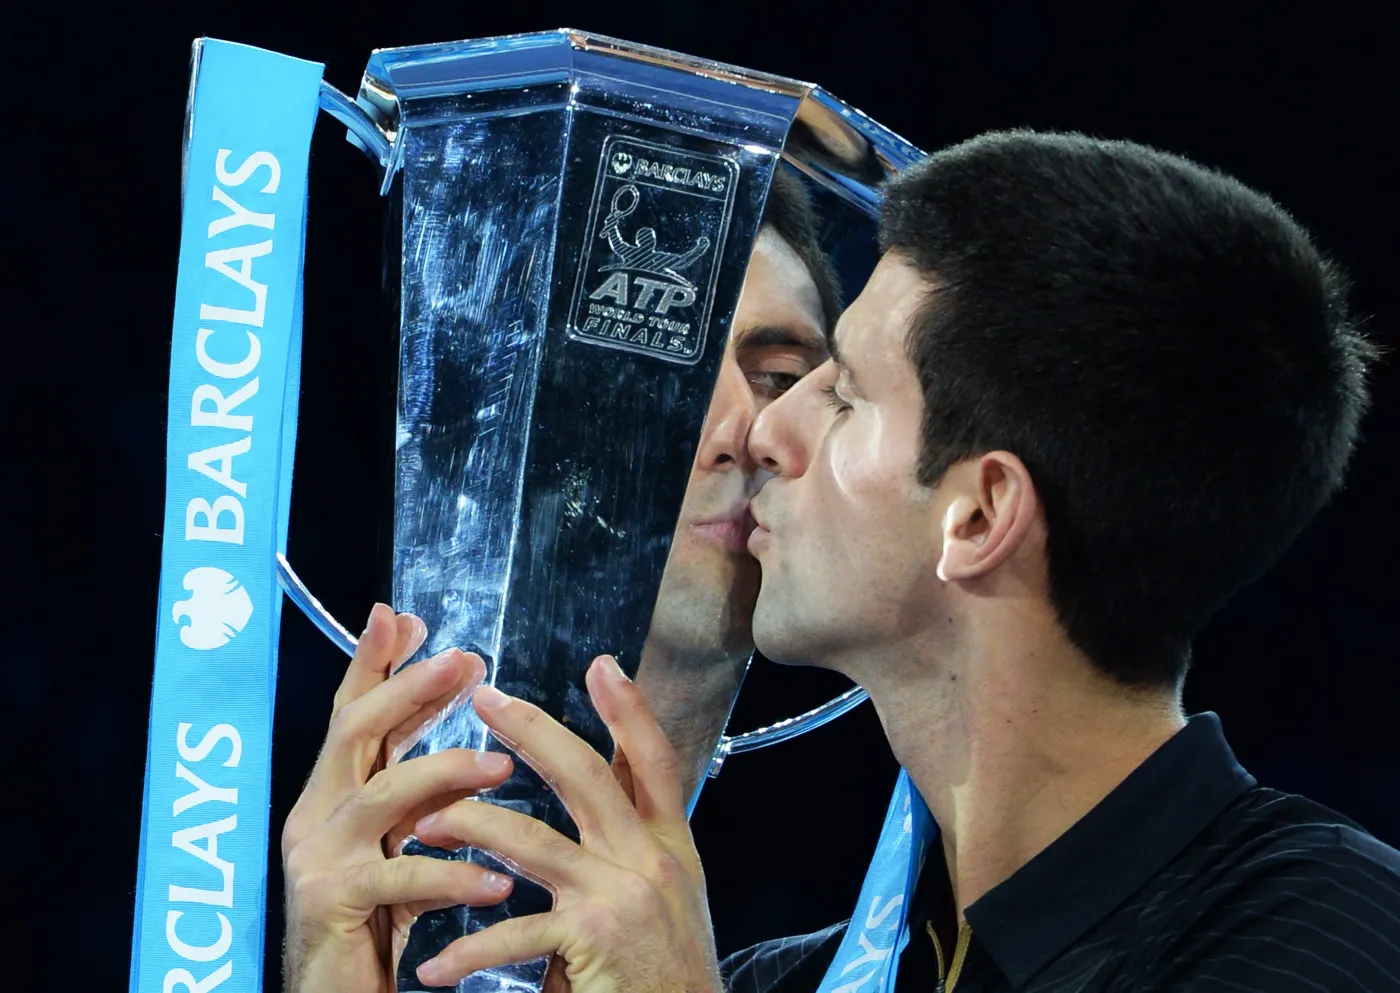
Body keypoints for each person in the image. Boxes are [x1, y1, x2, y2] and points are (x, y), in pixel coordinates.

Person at [299, 130, 1400, 993]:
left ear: (976, 518)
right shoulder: (801, 978)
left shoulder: (1334, 945)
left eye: (837, 392)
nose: (768, 435)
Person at [279, 167, 839, 992]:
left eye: (780, 377)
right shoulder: (345, 904)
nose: (738, 431)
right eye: (659, 373)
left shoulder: (900, 959)